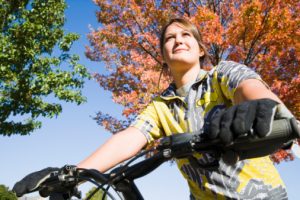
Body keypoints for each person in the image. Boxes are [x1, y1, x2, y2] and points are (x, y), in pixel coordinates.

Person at [13, 18, 295, 199]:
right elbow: (129, 137)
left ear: (200, 50)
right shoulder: (160, 106)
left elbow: (252, 90)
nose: (178, 39)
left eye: (187, 35)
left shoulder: (222, 75)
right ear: (163, 55)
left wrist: (259, 105)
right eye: (170, 38)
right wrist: (71, 172)